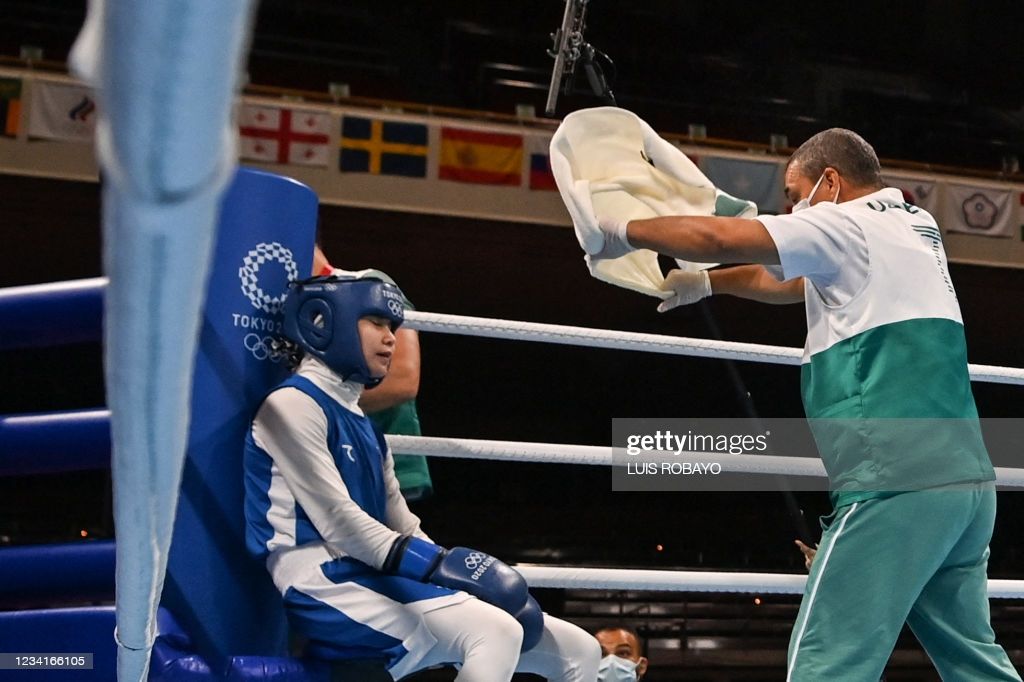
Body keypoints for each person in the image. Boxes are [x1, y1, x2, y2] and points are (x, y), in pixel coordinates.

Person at [591, 128, 1020, 680]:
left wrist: (616, 228)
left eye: (795, 195)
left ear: (831, 182)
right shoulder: (914, 223)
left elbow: (717, 237)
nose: (791, 208)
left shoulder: (841, 222)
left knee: (825, 663)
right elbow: (789, 281)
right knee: (973, 661)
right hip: (965, 487)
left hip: (893, 478)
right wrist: (707, 286)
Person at [244, 273, 599, 681]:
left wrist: (459, 580)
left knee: (580, 650)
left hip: (376, 572)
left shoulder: (366, 427)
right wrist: (437, 565)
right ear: (326, 320)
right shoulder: (291, 405)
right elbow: (339, 523)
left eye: (392, 326)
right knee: (493, 632)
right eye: (376, 322)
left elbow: (404, 525)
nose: (391, 338)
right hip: (319, 580)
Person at [313, 245, 433, 500]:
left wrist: (308, 403)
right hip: (318, 461)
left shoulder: (368, 285)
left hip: (377, 462)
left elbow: (402, 379)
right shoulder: (281, 308)